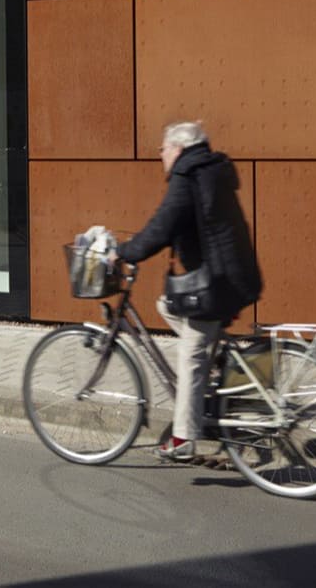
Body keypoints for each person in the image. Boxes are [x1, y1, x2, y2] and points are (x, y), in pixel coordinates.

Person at [116, 121, 263, 464]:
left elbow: (162, 226)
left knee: (191, 359)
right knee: (165, 304)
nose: (160, 155)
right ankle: (217, 358)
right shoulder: (209, 169)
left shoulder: (188, 174)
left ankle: (182, 440)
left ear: (178, 148)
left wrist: (124, 252)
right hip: (231, 274)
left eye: (162, 149)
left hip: (217, 282)